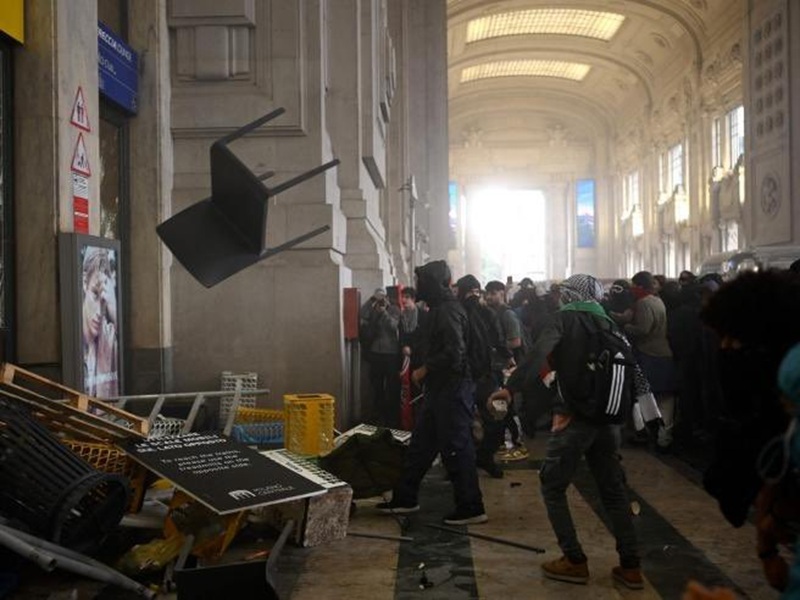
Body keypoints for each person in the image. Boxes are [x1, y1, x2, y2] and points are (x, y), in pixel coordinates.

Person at [489, 274, 659, 589]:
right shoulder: (609, 324)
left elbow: (537, 355)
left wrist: (511, 389)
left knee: (552, 485)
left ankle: (574, 559)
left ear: (569, 295)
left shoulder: (563, 320)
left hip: (576, 416)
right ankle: (631, 566)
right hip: (609, 420)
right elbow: (634, 371)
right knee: (612, 490)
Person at [376, 260, 487, 525]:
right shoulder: (439, 309)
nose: (417, 287)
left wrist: (424, 369)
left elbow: (455, 354)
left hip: (453, 388)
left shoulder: (448, 310)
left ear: (433, 284)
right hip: (440, 390)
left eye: (421, 282)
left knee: (457, 447)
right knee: (422, 445)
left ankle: (471, 506)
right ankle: (406, 497)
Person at [626, 271, 677, 451]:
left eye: (633, 285)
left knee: (646, 398)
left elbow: (643, 329)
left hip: (649, 355)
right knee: (666, 399)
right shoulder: (657, 300)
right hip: (665, 355)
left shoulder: (643, 303)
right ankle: (665, 438)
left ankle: (648, 435)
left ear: (639, 287)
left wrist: (626, 326)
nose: (631, 289)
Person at [359, 288, 402, 427]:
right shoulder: (373, 308)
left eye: (384, 298)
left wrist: (384, 312)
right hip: (375, 352)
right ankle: (377, 414)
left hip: (391, 353)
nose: (382, 301)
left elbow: (393, 326)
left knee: (391, 386)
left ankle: (391, 417)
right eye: (379, 298)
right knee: (376, 385)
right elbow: (362, 314)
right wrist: (372, 300)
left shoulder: (394, 309)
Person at [82, 246, 119, 398]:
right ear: (84, 283)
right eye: (95, 295)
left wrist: (114, 309)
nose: (99, 311)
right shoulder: (76, 341)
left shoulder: (109, 336)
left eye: (103, 301)